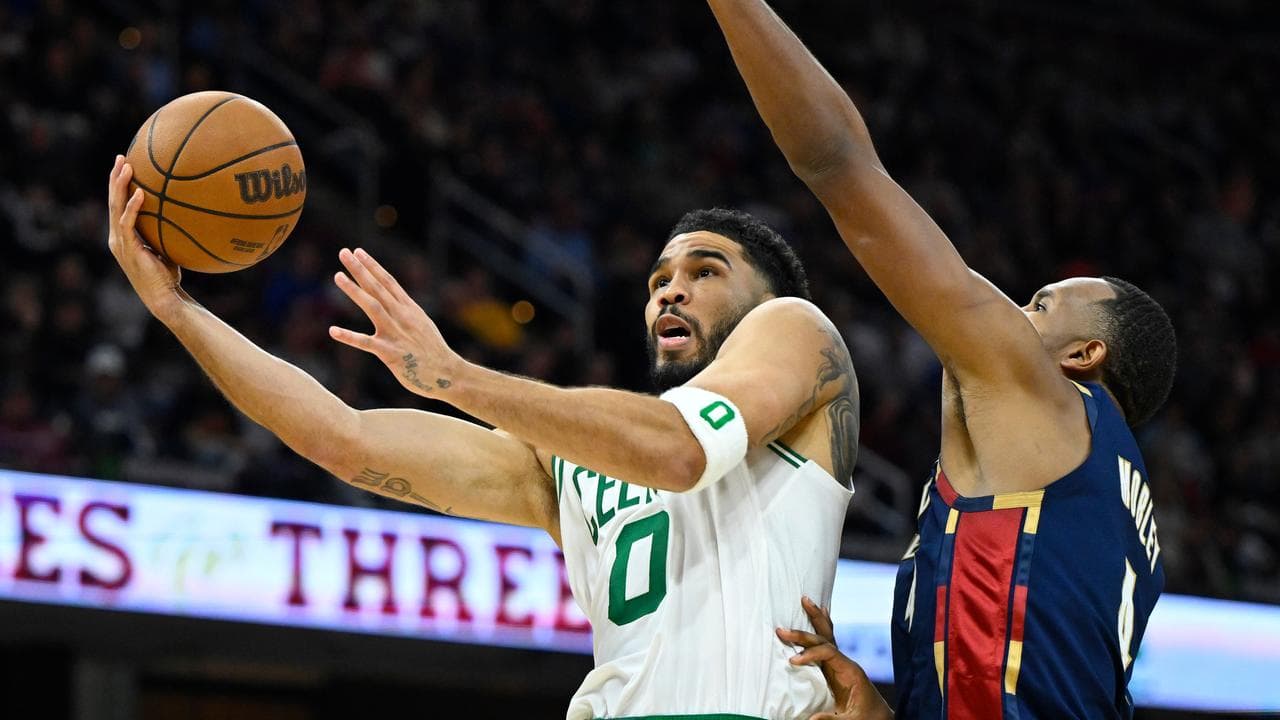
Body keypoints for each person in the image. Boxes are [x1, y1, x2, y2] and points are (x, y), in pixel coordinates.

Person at [106, 157, 860, 719]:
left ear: (766, 297)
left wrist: (454, 378)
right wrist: (175, 309)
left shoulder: (795, 330)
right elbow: (344, 439)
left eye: (705, 271)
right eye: (660, 277)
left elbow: (679, 450)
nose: (670, 288)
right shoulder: (570, 458)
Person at [703, 1, 1177, 718]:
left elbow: (838, 163)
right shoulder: (1109, 505)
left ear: (1084, 355)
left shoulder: (1043, 398)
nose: (1012, 317)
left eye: (1039, 307)